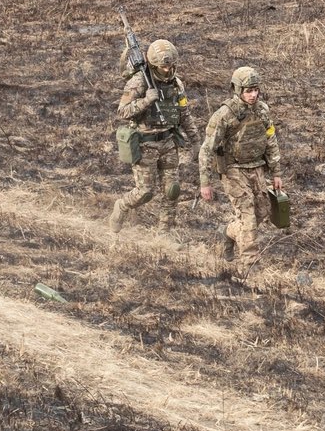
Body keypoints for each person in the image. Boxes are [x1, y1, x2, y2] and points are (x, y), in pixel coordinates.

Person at [109, 39, 197, 236]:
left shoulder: (176, 84)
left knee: (172, 190)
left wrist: (195, 140)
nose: (167, 70)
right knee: (145, 192)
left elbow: (184, 114)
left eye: (171, 65)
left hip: (168, 142)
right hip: (145, 143)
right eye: (163, 66)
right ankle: (122, 206)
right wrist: (146, 101)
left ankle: (164, 234)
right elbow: (122, 112)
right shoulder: (139, 82)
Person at [198, 66, 283, 267]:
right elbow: (206, 149)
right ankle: (249, 264)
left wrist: (276, 172)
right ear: (237, 90)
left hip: (257, 167)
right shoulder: (225, 115)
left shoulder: (262, 110)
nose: (253, 95)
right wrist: (205, 182)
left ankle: (229, 232)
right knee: (248, 216)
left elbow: (271, 140)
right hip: (233, 170)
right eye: (248, 90)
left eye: (255, 90)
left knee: (262, 212)